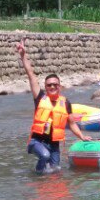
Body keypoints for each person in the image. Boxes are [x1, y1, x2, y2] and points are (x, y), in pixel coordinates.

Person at [16, 40, 86, 173]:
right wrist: (23, 55)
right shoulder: (40, 98)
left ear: (60, 86)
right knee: (44, 155)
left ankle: (47, 183)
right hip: (36, 142)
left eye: (55, 84)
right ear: (45, 87)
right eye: (49, 85)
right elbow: (31, 75)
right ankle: (37, 177)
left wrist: (82, 136)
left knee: (56, 171)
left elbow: (71, 123)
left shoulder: (66, 103)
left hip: (54, 144)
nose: (52, 86)